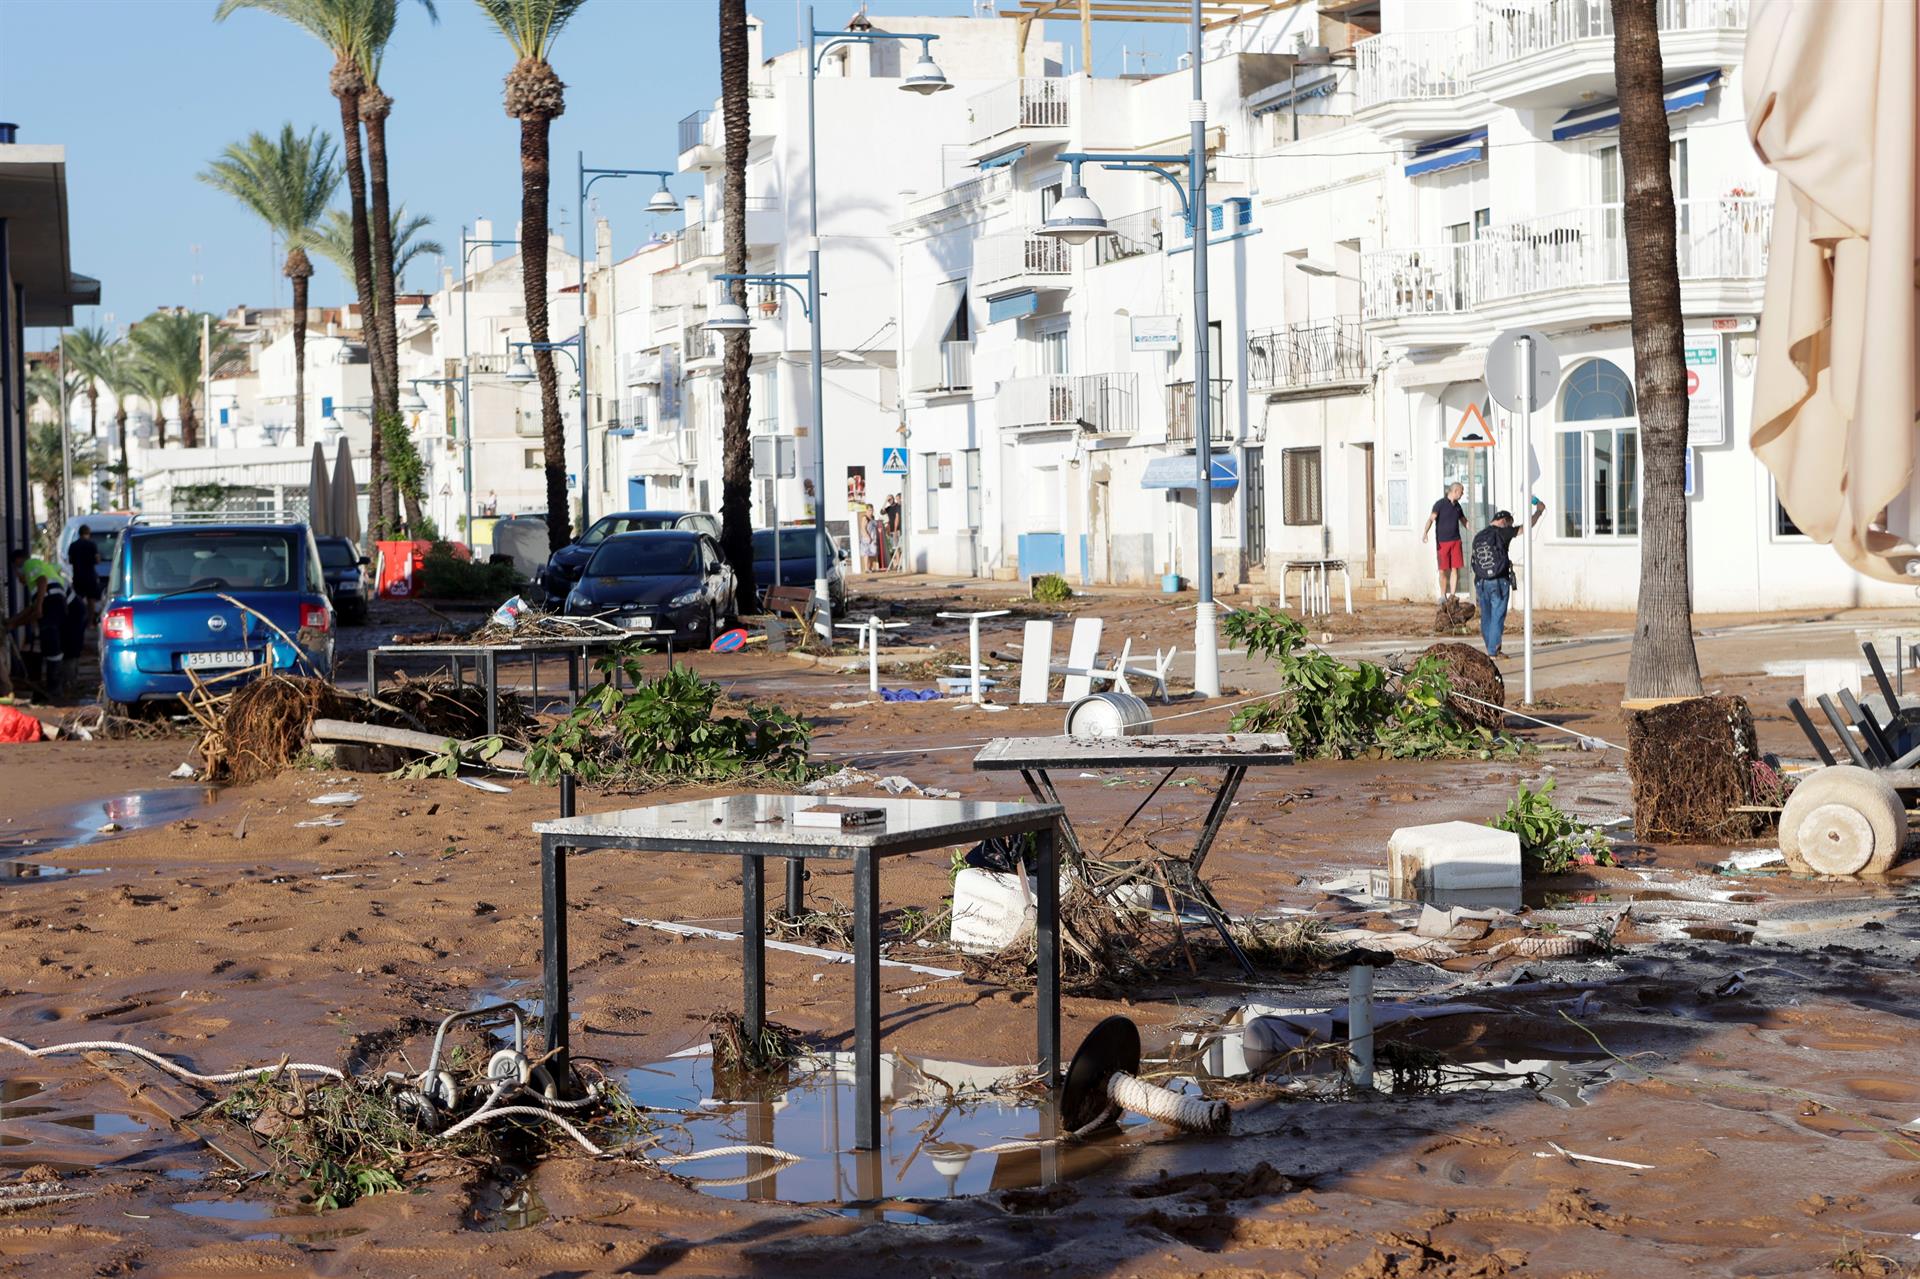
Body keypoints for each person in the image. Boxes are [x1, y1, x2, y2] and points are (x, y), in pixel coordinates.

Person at [1470, 499, 1546, 658]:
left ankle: (1490, 648)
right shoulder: (1503, 532)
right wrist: (1538, 511)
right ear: (1504, 521)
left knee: (1486, 615)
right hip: (1499, 580)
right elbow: (1527, 527)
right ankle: (1493, 650)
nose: (1510, 526)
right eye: (1510, 523)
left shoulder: (1479, 536)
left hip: (1480, 581)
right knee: (1498, 615)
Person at [1421, 483, 1468, 599]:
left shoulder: (1458, 506)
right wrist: (1425, 532)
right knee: (1442, 570)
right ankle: (1443, 596)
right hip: (1442, 543)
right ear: (1455, 491)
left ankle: (1452, 595)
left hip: (1456, 541)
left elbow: (1464, 521)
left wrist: (1476, 531)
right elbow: (1431, 519)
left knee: (1454, 569)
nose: (1462, 494)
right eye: (1461, 491)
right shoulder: (1440, 504)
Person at [67, 525, 101, 620]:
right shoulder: (92, 544)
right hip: (90, 576)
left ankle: (79, 620)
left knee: (78, 600)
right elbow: (97, 560)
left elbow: (70, 560)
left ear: (79, 533)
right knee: (91, 600)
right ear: (88, 533)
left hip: (78, 576)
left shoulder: (73, 545)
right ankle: (90, 623)